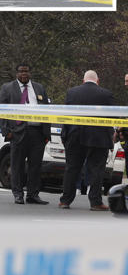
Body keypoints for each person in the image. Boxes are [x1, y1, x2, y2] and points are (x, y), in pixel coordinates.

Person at [59, 70, 115, 211]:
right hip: (98, 138)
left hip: (75, 136)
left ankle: (65, 201)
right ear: (98, 81)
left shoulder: (72, 92)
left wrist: (64, 136)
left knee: (72, 169)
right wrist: (111, 138)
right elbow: (111, 118)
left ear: (83, 81)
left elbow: (66, 117)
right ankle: (95, 202)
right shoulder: (106, 94)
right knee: (96, 170)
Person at [0, 63, 51, 205]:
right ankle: (18, 194)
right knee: (17, 165)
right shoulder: (7, 88)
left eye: (26, 71)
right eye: (21, 71)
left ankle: (33, 195)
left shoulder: (39, 88)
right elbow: (0, 111)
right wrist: (6, 131)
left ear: (30, 73)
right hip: (18, 133)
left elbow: (48, 111)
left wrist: (46, 133)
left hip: (37, 134)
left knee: (35, 166)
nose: (24, 74)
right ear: (17, 74)